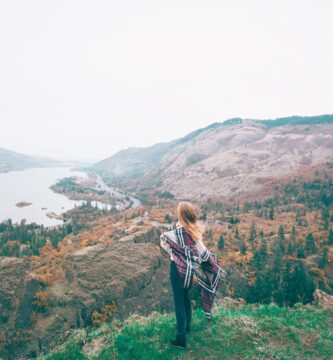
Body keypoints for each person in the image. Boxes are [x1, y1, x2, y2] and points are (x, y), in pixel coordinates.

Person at [160, 201, 224, 349]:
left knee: (179, 302)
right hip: (190, 272)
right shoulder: (194, 233)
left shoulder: (177, 233)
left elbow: (164, 240)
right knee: (186, 298)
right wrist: (212, 265)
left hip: (177, 270)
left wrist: (175, 254)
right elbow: (203, 253)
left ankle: (181, 338)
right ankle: (187, 325)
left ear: (181, 215)